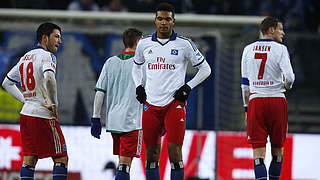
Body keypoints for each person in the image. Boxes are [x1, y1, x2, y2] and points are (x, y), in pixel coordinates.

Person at [131, 2, 211, 180]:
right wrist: (138, 86)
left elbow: (206, 69)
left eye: (167, 19)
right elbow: (135, 67)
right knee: (151, 156)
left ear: (173, 21)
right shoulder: (144, 44)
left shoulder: (184, 44)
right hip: (150, 105)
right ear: (155, 20)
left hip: (174, 105)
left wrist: (187, 87)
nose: (163, 22)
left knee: (175, 154)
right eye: (160, 19)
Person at [1, 22, 68, 180]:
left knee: (29, 160)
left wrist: (26, 100)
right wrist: (53, 103)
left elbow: (7, 83)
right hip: (43, 114)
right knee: (61, 158)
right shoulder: (47, 56)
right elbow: (50, 78)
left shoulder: (25, 58)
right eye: (56, 37)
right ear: (45, 38)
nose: (60, 41)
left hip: (26, 115)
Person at [241, 16, 295, 180]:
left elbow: (245, 85)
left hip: (256, 102)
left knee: (258, 152)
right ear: (271, 30)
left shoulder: (247, 49)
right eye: (280, 29)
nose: (283, 33)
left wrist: (246, 109)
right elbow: (290, 77)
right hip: (277, 101)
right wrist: (286, 86)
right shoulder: (280, 49)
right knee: (278, 149)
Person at [90, 28, 143, 180]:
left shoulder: (110, 62)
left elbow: (100, 91)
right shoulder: (141, 64)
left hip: (113, 121)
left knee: (122, 161)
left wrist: (96, 118)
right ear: (138, 43)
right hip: (132, 120)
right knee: (125, 165)